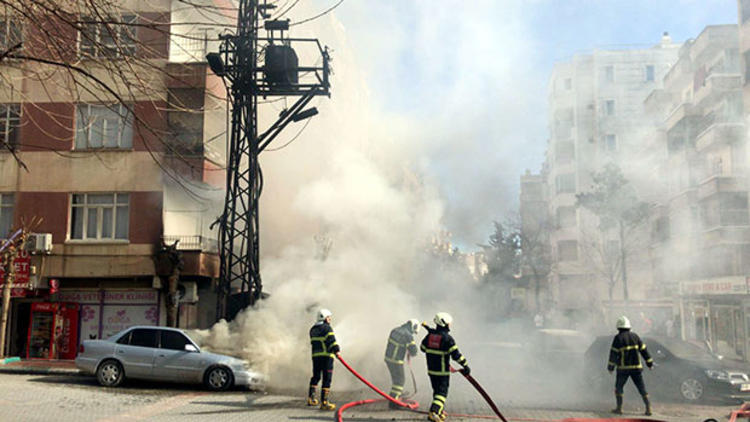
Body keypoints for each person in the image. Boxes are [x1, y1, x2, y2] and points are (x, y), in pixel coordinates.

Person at [421, 312, 470, 422]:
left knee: (436, 391)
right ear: (445, 324)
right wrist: (465, 365)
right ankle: (434, 412)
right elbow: (456, 355)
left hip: (431, 370)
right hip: (442, 371)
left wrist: (432, 340)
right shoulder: (447, 339)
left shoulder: (429, 336)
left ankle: (439, 411)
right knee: (442, 393)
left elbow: (422, 348)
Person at [607, 315, 654, 416]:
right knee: (642, 388)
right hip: (636, 368)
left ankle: (619, 408)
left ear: (618, 327)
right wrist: (649, 363)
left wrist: (610, 367)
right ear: (629, 327)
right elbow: (644, 351)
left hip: (623, 369)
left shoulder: (618, 338)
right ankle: (648, 408)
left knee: (619, 388)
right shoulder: (635, 336)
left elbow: (613, 353)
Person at [307, 308, 340, 410]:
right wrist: (336, 350)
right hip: (326, 358)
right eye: (328, 317)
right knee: (327, 379)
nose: (330, 319)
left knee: (316, 376)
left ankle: (311, 398)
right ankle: (324, 403)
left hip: (316, 358)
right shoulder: (327, 329)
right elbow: (331, 341)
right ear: (324, 318)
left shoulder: (313, 329)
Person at [384, 318, 420, 408]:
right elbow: (414, 351)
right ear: (413, 327)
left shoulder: (395, 330)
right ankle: (393, 402)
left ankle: (396, 395)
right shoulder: (408, 335)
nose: (413, 334)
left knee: (396, 379)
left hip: (388, 359)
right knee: (400, 381)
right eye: (414, 332)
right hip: (396, 360)